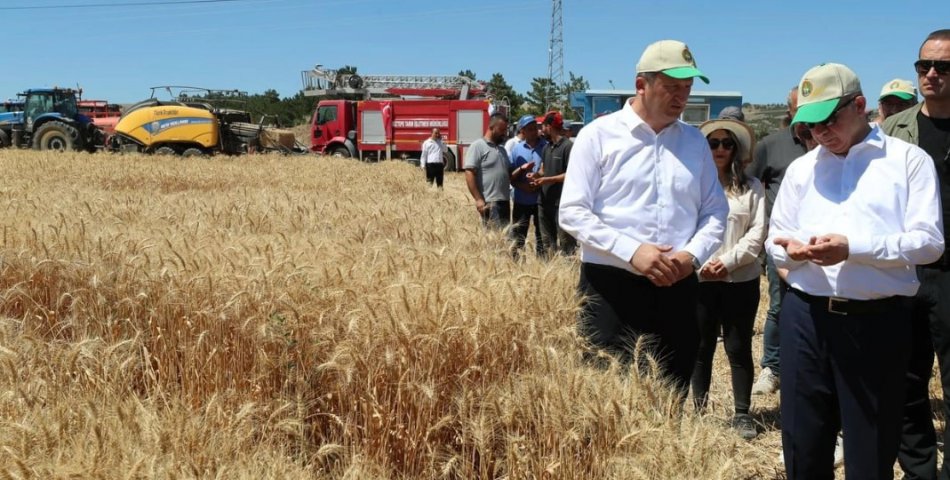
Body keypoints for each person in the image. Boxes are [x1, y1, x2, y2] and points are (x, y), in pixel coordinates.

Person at [769, 62, 943, 479]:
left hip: (877, 323)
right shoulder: (802, 169)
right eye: (809, 127)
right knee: (802, 443)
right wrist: (791, 253)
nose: (820, 134)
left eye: (828, 121)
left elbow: (929, 242)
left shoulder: (908, 162)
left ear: (860, 105)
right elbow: (777, 239)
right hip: (805, 318)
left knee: (869, 450)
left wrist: (854, 249)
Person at [559, 39, 728, 397]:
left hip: (678, 288)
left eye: (687, 88)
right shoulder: (597, 137)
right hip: (611, 290)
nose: (681, 97)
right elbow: (572, 212)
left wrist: (691, 256)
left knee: (671, 395)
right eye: (671, 87)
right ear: (641, 85)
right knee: (605, 401)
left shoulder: (695, 143)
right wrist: (632, 251)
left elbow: (715, 211)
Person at [887, 29, 950, 480]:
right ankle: (918, 470)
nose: (931, 74)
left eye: (943, 67)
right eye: (924, 66)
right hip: (906, 271)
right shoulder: (893, 129)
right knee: (905, 379)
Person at [690, 119, 766, 440]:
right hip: (700, 280)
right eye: (713, 143)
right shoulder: (692, 186)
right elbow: (683, 228)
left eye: (727, 143)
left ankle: (742, 413)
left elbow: (758, 232)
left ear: (736, 149)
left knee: (738, 346)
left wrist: (728, 262)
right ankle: (698, 411)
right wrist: (702, 263)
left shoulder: (753, 189)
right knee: (700, 346)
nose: (720, 149)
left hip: (740, 280)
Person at [747, 86, 809, 397]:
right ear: (790, 111)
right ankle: (772, 368)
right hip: (782, 242)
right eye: (801, 109)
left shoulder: (830, 140)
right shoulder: (771, 146)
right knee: (779, 305)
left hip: (822, 244)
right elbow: (749, 185)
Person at [537, 111, 577, 257]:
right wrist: (535, 175)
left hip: (562, 204)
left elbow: (571, 175)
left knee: (566, 244)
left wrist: (547, 180)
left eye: (543, 126)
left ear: (550, 126)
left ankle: (567, 275)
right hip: (544, 202)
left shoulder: (568, 147)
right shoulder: (546, 148)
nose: (541, 130)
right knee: (548, 244)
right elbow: (543, 170)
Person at [509, 115, 547, 258]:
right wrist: (522, 186)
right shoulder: (516, 150)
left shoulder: (546, 147)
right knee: (518, 236)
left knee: (541, 237)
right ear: (522, 132)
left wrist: (540, 179)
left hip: (541, 200)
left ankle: (542, 265)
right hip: (521, 200)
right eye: (530, 129)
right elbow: (511, 177)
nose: (534, 131)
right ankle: (516, 264)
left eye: (535, 128)